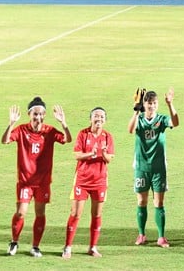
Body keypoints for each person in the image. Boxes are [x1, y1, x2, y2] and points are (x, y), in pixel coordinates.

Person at [2, 97, 72, 258]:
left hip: (42, 183)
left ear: (44, 115)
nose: (38, 117)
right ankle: (14, 242)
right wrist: (11, 124)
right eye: (35, 114)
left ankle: (35, 246)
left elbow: (67, 139)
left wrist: (64, 124)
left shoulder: (50, 131)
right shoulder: (21, 130)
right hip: (25, 182)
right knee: (21, 212)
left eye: (41, 114)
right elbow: (5, 140)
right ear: (29, 114)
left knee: (40, 213)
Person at [129, 88, 179, 248]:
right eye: (149, 103)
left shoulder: (162, 119)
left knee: (159, 202)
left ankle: (161, 237)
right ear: (144, 104)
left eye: (155, 103)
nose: (152, 106)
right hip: (141, 167)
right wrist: (136, 110)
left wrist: (170, 104)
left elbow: (175, 122)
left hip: (158, 168)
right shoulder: (139, 119)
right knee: (141, 201)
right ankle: (141, 234)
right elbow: (130, 129)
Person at [62, 107, 115, 259]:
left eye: (102, 116)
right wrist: (91, 153)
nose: (99, 119)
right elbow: (77, 155)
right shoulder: (83, 134)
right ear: (90, 118)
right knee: (75, 213)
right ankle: (67, 247)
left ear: (105, 120)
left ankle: (92, 247)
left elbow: (109, 159)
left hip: (100, 181)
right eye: (96, 116)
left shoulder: (108, 137)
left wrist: (103, 153)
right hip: (82, 180)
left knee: (97, 214)